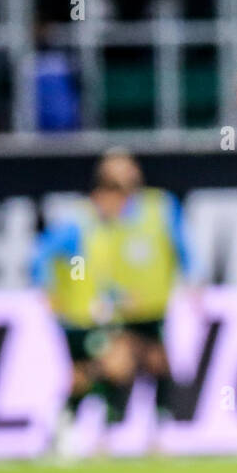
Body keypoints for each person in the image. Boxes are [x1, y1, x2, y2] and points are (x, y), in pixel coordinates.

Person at [33, 151, 196, 455]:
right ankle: (78, 430)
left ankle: (64, 430)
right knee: (112, 367)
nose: (123, 208)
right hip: (76, 318)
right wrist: (48, 289)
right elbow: (43, 252)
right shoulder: (78, 223)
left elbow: (96, 275)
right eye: (119, 199)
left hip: (94, 317)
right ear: (103, 194)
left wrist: (115, 296)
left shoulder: (105, 228)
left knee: (90, 373)